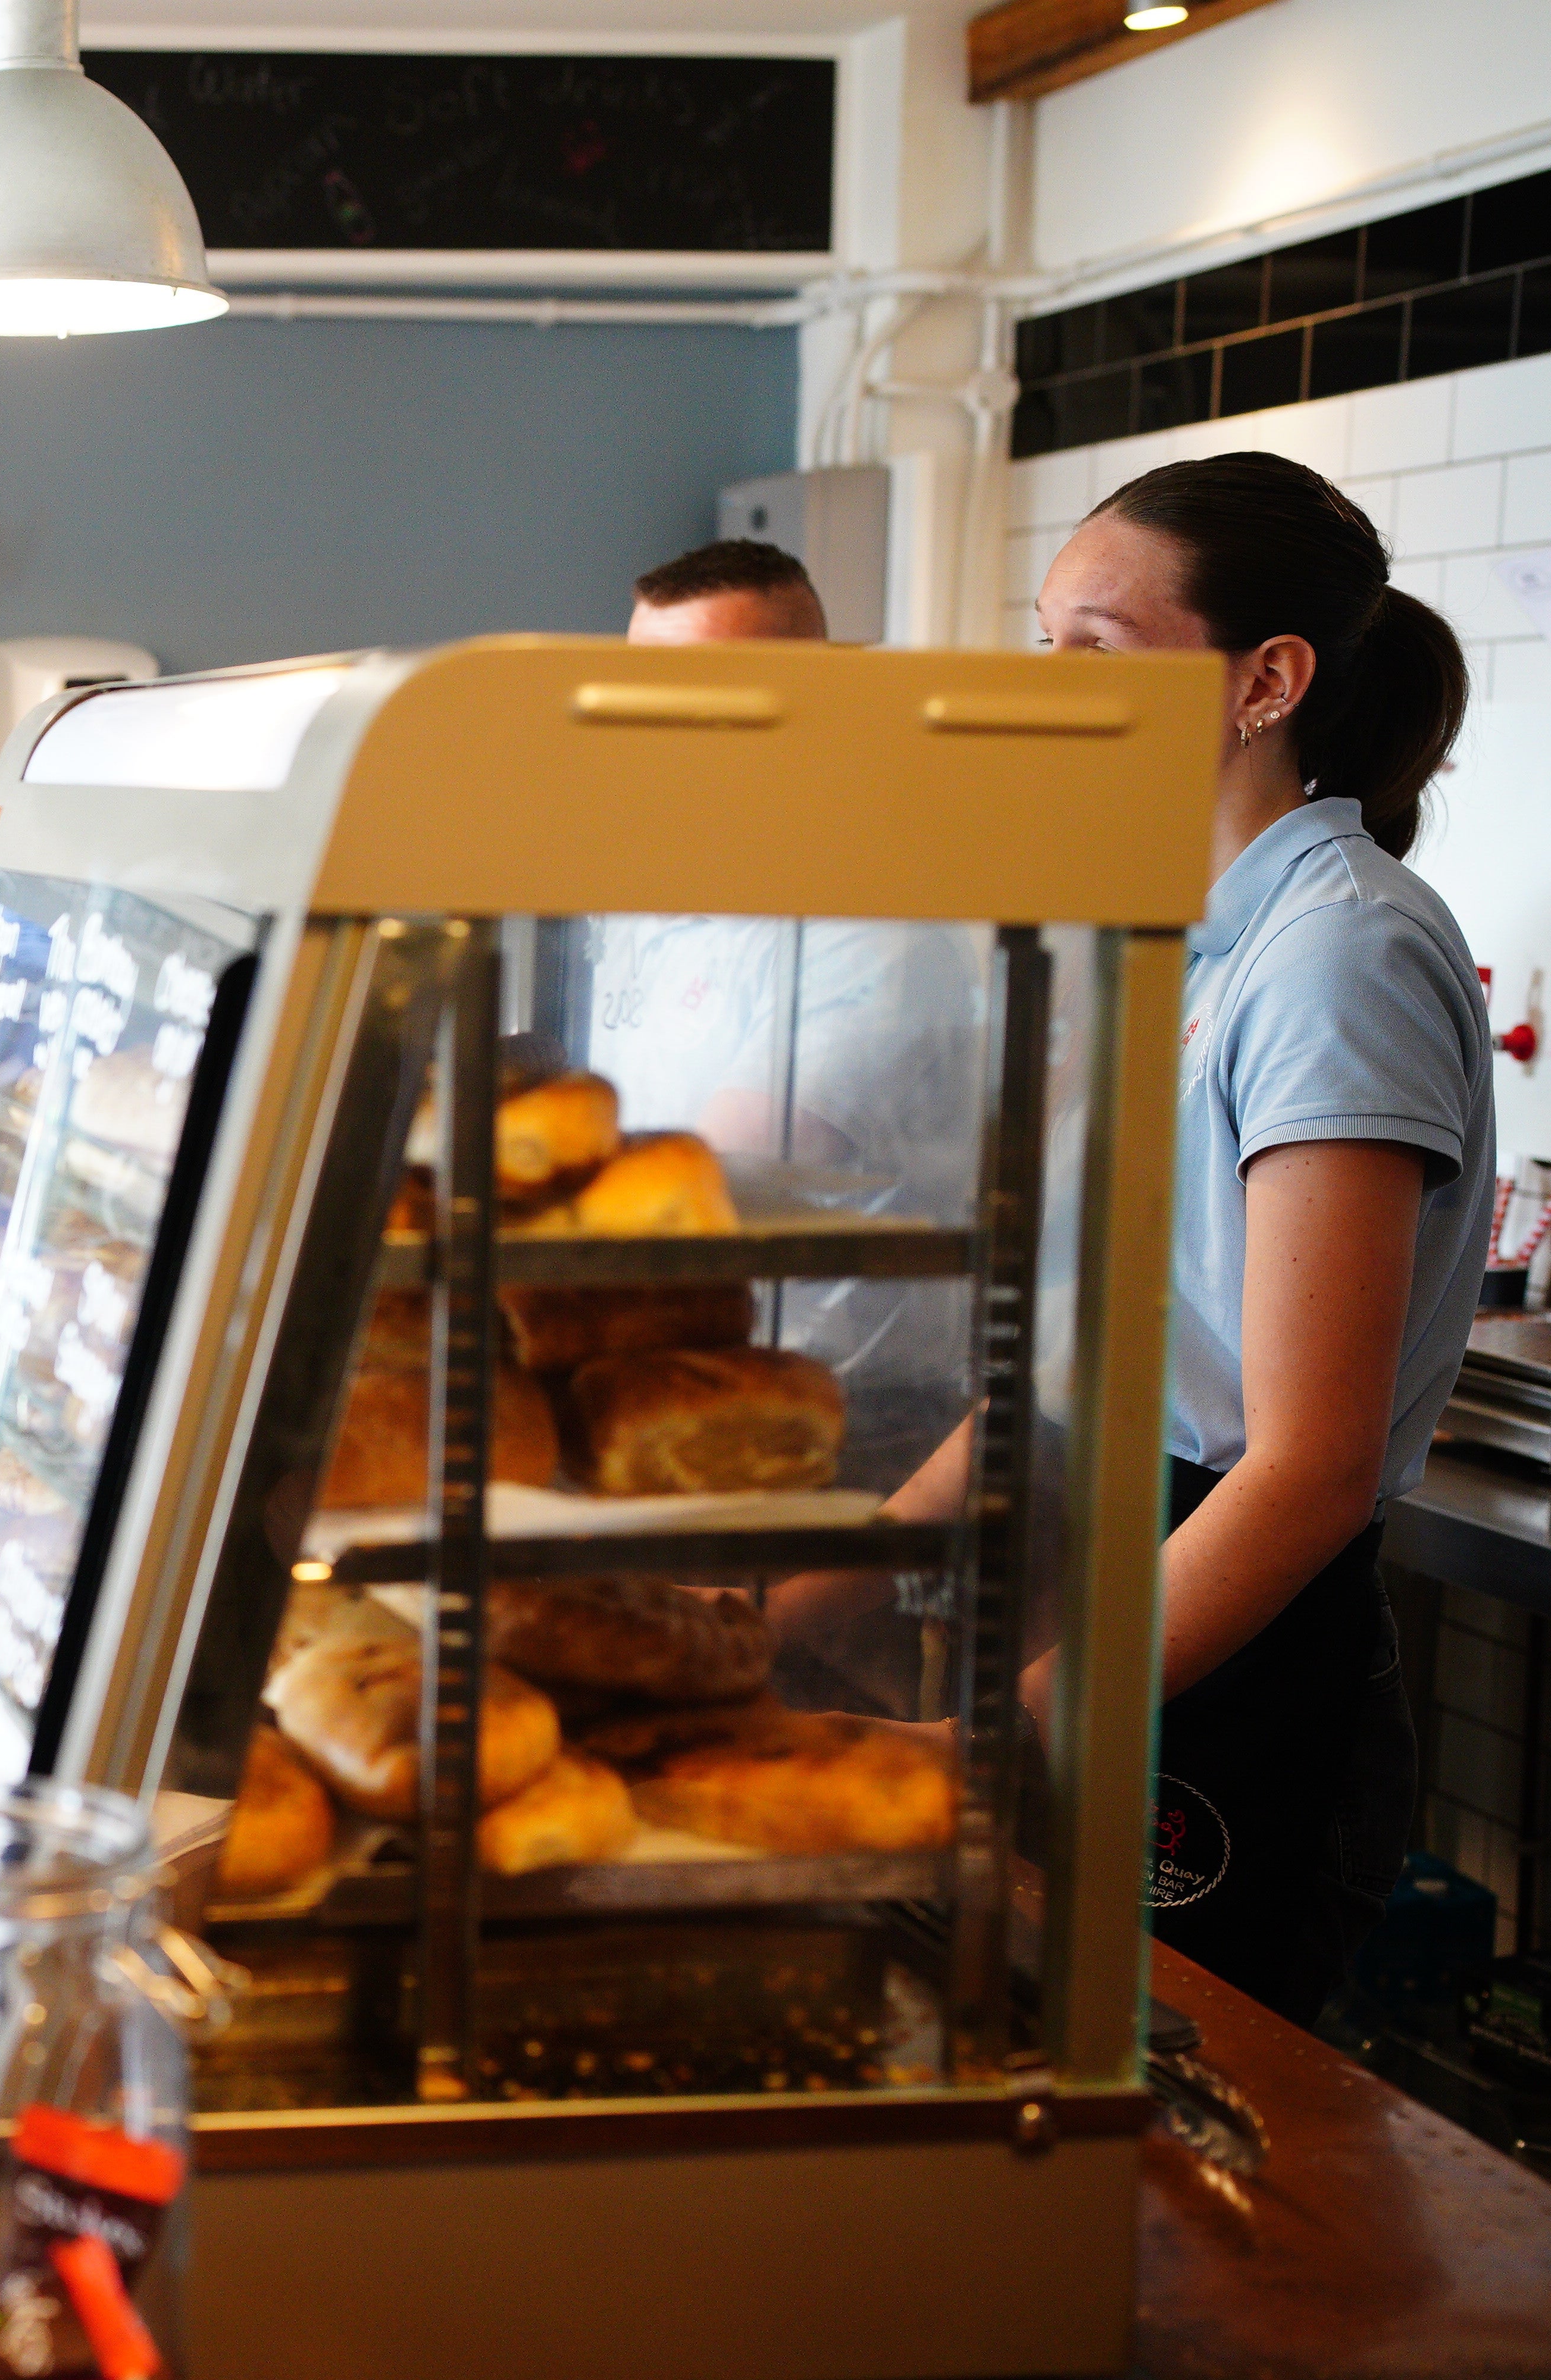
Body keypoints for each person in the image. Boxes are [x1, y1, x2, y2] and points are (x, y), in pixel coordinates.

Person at [829, 451, 1479, 2024]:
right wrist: (813, 1586)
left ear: (1266, 682)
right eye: (1043, 640)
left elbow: (1306, 1465)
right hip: (1104, 1592)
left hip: (1234, 1667)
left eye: (1097, 650)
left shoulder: (1339, 954)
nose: (1051, 688)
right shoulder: (1180, 935)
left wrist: (1018, 1730)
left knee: (1191, 2201)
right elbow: (1082, 1358)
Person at [583, 541, 987, 1488]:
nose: (664, 733)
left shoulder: (867, 931)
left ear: (815, 700)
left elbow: (708, 1179)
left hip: (840, 1427)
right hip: (685, 1379)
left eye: (711, 697)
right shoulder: (645, 896)